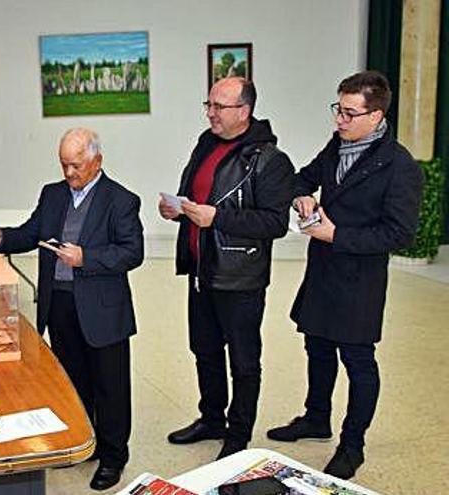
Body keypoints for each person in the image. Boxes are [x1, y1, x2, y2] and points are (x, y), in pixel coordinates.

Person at [267, 71, 423, 479]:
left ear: (377, 115)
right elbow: (304, 176)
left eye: (350, 113)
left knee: (358, 361)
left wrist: (337, 234)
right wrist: (301, 195)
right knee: (316, 348)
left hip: (359, 280)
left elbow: (400, 233)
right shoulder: (339, 144)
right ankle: (316, 417)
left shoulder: (400, 166)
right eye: (338, 109)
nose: (339, 121)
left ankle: (353, 443)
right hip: (322, 273)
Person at [0, 128, 143, 491]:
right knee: (73, 380)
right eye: (64, 165)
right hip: (59, 303)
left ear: (97, 162)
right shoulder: (52, 194)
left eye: (76, 166)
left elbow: (132, 252)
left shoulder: (121, 200)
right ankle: (84, 442)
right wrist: (0, 237)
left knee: (111, 386)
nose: (69, 174)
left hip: (103, 310)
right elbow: (30, 233)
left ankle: (114, 455)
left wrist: (87, 257)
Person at [159, 77, 294, 460]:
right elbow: (196, 194)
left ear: (244, 111)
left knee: (243, 359)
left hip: (239, 275)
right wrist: (178, 208)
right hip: (202, 268)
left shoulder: (269, 160)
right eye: (209, 105)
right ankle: (211, 418)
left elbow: (274, 224)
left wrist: (217, 218)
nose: (210, 113)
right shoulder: (206, 143)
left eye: (219, 107)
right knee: (204, 349)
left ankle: (238, 435)